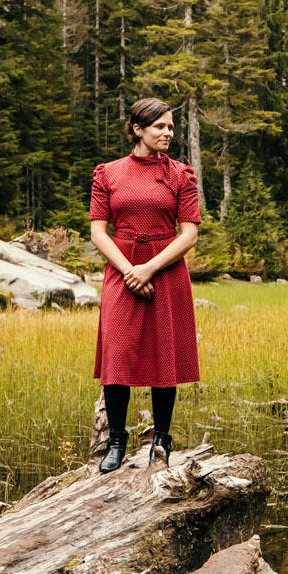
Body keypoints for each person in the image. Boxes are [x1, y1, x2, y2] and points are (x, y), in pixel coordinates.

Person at [90, 97, 202, 471]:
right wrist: (129, 271)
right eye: (160, 127)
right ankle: (116, 442)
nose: (168, 133)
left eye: (171, 127)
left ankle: (161, 442)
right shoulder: (108, 173)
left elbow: (188, 235)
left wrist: (148, 269)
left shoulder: (181, 175)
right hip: (121, 269)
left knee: (163, 356)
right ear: (138, 129)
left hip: (166, 269)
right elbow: (98, 232)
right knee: (117, 355)